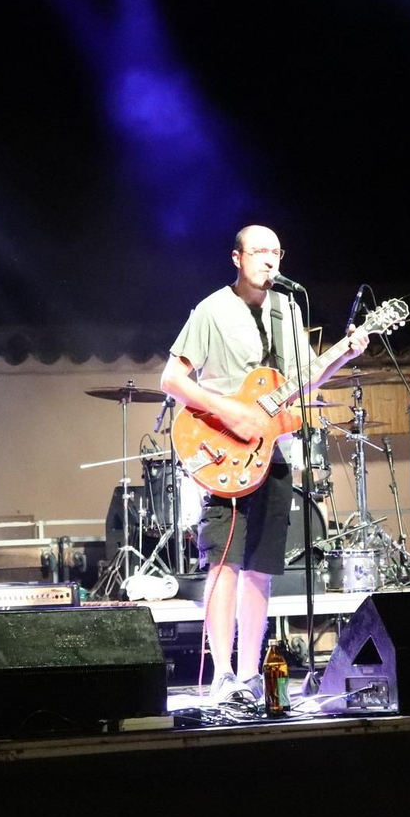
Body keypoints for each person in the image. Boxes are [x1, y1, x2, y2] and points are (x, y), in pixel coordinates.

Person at [161, 225, 369, 700]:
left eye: (276, 252)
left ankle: (251, 674)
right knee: (223, 565)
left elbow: (302, 382)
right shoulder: (212, 310)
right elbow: (171, 378)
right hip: (222, 451)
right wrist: (230, 409)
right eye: (259, 251)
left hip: (273, 455)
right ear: (237, 257)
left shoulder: (288, 309)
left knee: (260, 567)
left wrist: (344, 355)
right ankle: (220, 677)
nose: (270, 260)